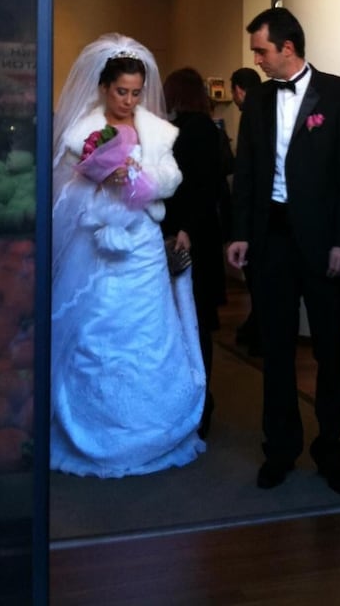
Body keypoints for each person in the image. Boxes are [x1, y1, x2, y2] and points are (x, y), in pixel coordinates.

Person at [50, 34, 206, 478]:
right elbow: (65, 194)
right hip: (97, 245)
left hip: (142, 245)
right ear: (104, 88)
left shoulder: (156, 130)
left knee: (149, 330)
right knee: (96, 329)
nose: (130, 100)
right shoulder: (83, 133)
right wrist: (100, 178)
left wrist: (142, 179)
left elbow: (172, 178)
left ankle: (149, 427)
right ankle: (95, 426)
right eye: (122, 91)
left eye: (137, 93)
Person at [227, 7, 340, 495]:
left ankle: (331, 452)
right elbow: (246, 169)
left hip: (326, 245)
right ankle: (280, 450)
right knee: (277, 351)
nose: (256, 59)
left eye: (261, 50)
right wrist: (240, 232)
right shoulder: (259, 100)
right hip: (271, 242)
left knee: (331, 352)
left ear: (287, 47)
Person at [162, 66, 228, 439]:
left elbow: (202, 187)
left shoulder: (195, 129)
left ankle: (201, 402)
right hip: (193, 233)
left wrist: (184, 228)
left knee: (194, 320)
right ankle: (194, 401)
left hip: (191, 237)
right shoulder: (199, 127)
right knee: (191, 321)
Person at [229, 66, 264, 355]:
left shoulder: (251, 114)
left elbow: (244, 172)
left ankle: (259, 332)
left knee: (258, 280)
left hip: (256, 216)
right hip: (266, 215)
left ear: (238, 90)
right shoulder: (268, 107)